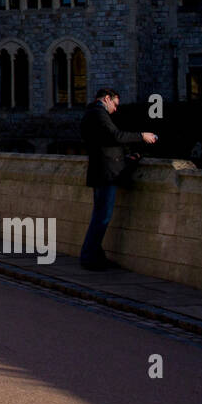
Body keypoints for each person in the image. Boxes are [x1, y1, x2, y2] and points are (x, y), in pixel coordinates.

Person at [80, 87, 157, 270]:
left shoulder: (90, 113)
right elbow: (115, 136)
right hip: (106, 174)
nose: (116, 109)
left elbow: (106, 142)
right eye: (115, 104)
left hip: (101, 171)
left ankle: (94, 255)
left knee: (99, 216)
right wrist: (142, 136)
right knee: (102, 217)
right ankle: (89, 257)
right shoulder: (98, 114)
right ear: (107, 99)